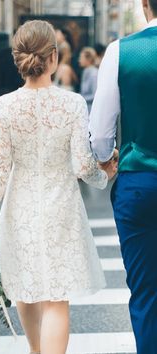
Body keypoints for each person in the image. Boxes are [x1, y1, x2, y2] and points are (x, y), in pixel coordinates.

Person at [0, 20, 117, 354]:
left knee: (26, 288)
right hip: (61, 209)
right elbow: (83, 166)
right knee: (56, 297)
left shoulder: (4, 106)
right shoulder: (73, 104)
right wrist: (105, 173)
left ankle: (36, 350)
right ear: (54, 57)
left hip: (19, 210)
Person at [89, 1, 157, 353]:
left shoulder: (121, 52)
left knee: (146, 291)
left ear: (144, 4)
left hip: (140, 181)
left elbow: (100, 133)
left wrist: (105, 158)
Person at [79, 47, 98, 112]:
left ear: (88, 59)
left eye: (81, 58)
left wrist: (80, 98)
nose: (79, 60)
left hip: (91, 110)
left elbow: (95, 95)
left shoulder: (94, 74)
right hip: (85, 108)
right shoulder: (85, 71)